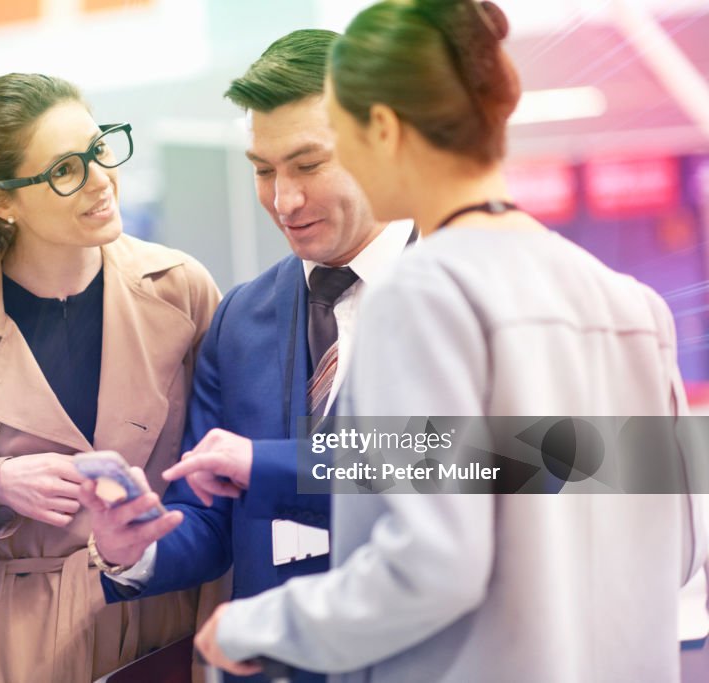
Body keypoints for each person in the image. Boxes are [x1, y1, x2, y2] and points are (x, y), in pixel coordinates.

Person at [195, 2, 707, 682]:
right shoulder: (632, 306)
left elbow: (434, 562)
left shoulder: (421, 296)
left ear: (380, 127)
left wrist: (259, 625)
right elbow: (675, 550)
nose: (289, 197)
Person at [79, 30, 414, 683]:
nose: (284, 201)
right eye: (264, 170)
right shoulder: (240, 319)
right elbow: (211, 518)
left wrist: (268, 462)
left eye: (309, 165)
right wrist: (134, 549)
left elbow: (497, 461)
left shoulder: (467, 294)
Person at [0, 72, 221, 683]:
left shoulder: (182, 289)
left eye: (100, 150)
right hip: (6, 640)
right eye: (65, 171)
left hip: (162, 629)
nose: (102, 182)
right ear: (1, 202)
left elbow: (220, 487)